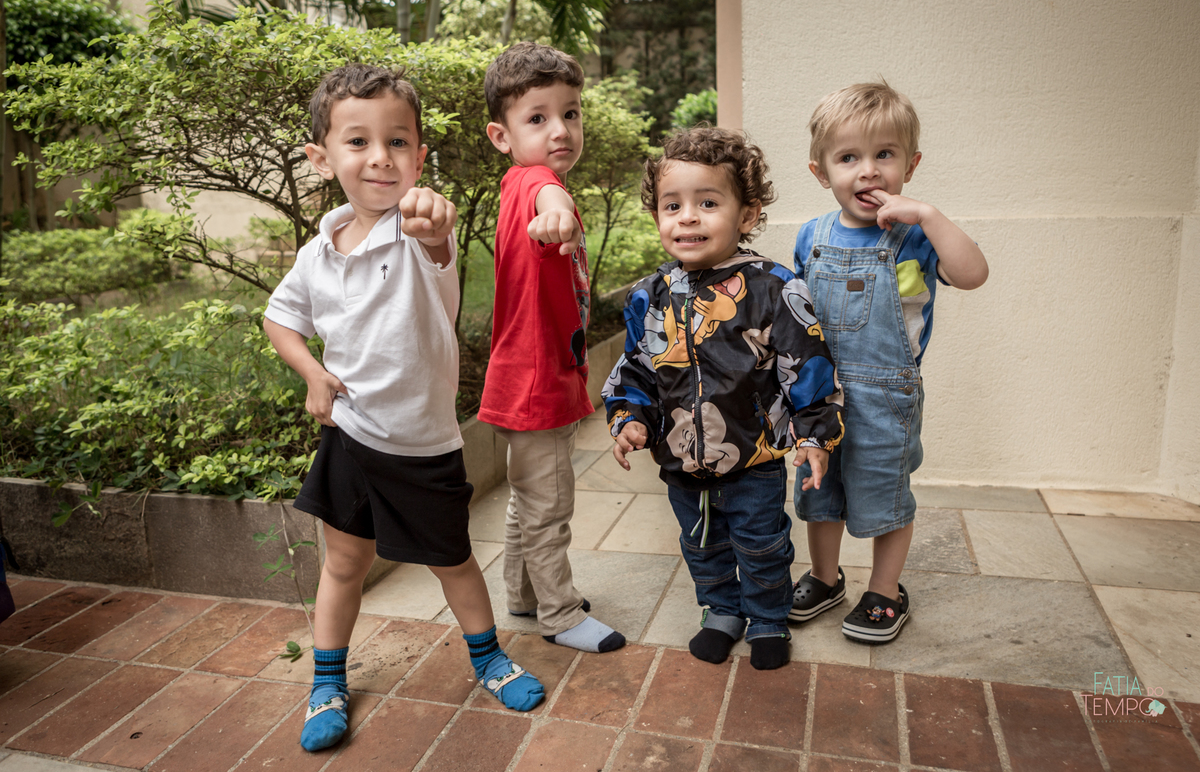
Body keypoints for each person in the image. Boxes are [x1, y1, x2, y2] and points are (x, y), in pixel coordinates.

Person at [263, 64, 544, 752]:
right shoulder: (318, 252)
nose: (380, 157)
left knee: (453, 562)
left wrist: (434, 221)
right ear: (321, 158)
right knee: (342, 565)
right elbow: (279, 318)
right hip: (351, 439)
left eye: (398, 142)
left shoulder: (421, 237)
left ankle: (489, 659)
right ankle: (327, 680)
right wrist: (312, 374)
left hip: (422, 447)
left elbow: (436, 233)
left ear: (420, 156)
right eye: (357, 141)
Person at [603, 127, 845, 670]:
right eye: (673, 205)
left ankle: (767, 618)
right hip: (680, 461)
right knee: (701, 546)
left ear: (747, 214)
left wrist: (813, 435)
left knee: (762, 545)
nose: (687, 217)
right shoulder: (650, 295)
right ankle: (721, 612)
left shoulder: (775, 288)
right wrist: (628, 418)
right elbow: (635, 370)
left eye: (707, 202)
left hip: (752, 459)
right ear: (658, 217)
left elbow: (807, 369)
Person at [791, 81, 989, 644]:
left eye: (885, 155)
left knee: (886, 495)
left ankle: (884, 590)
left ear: (911, 163)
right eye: (848, 157)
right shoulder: (812, 236)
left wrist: (928, 215)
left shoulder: (917, 237)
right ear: (821, 172)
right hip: (819, 396)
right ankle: (826, 578)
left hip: (886, 400)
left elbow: (973, 274)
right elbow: (795, 316)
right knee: (817, 492)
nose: (869, 171)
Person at [478, 42, 625, 655]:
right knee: (549, 506)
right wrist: (558, 215)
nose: (559, 129)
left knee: (527, 501)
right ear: (501, 135)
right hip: (536, 382)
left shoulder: (519, 181)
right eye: (537, 118)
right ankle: (560, 616)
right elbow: (550, 200)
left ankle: (521, 593)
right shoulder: (537, 184)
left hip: (527, 376)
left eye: (571, 112)